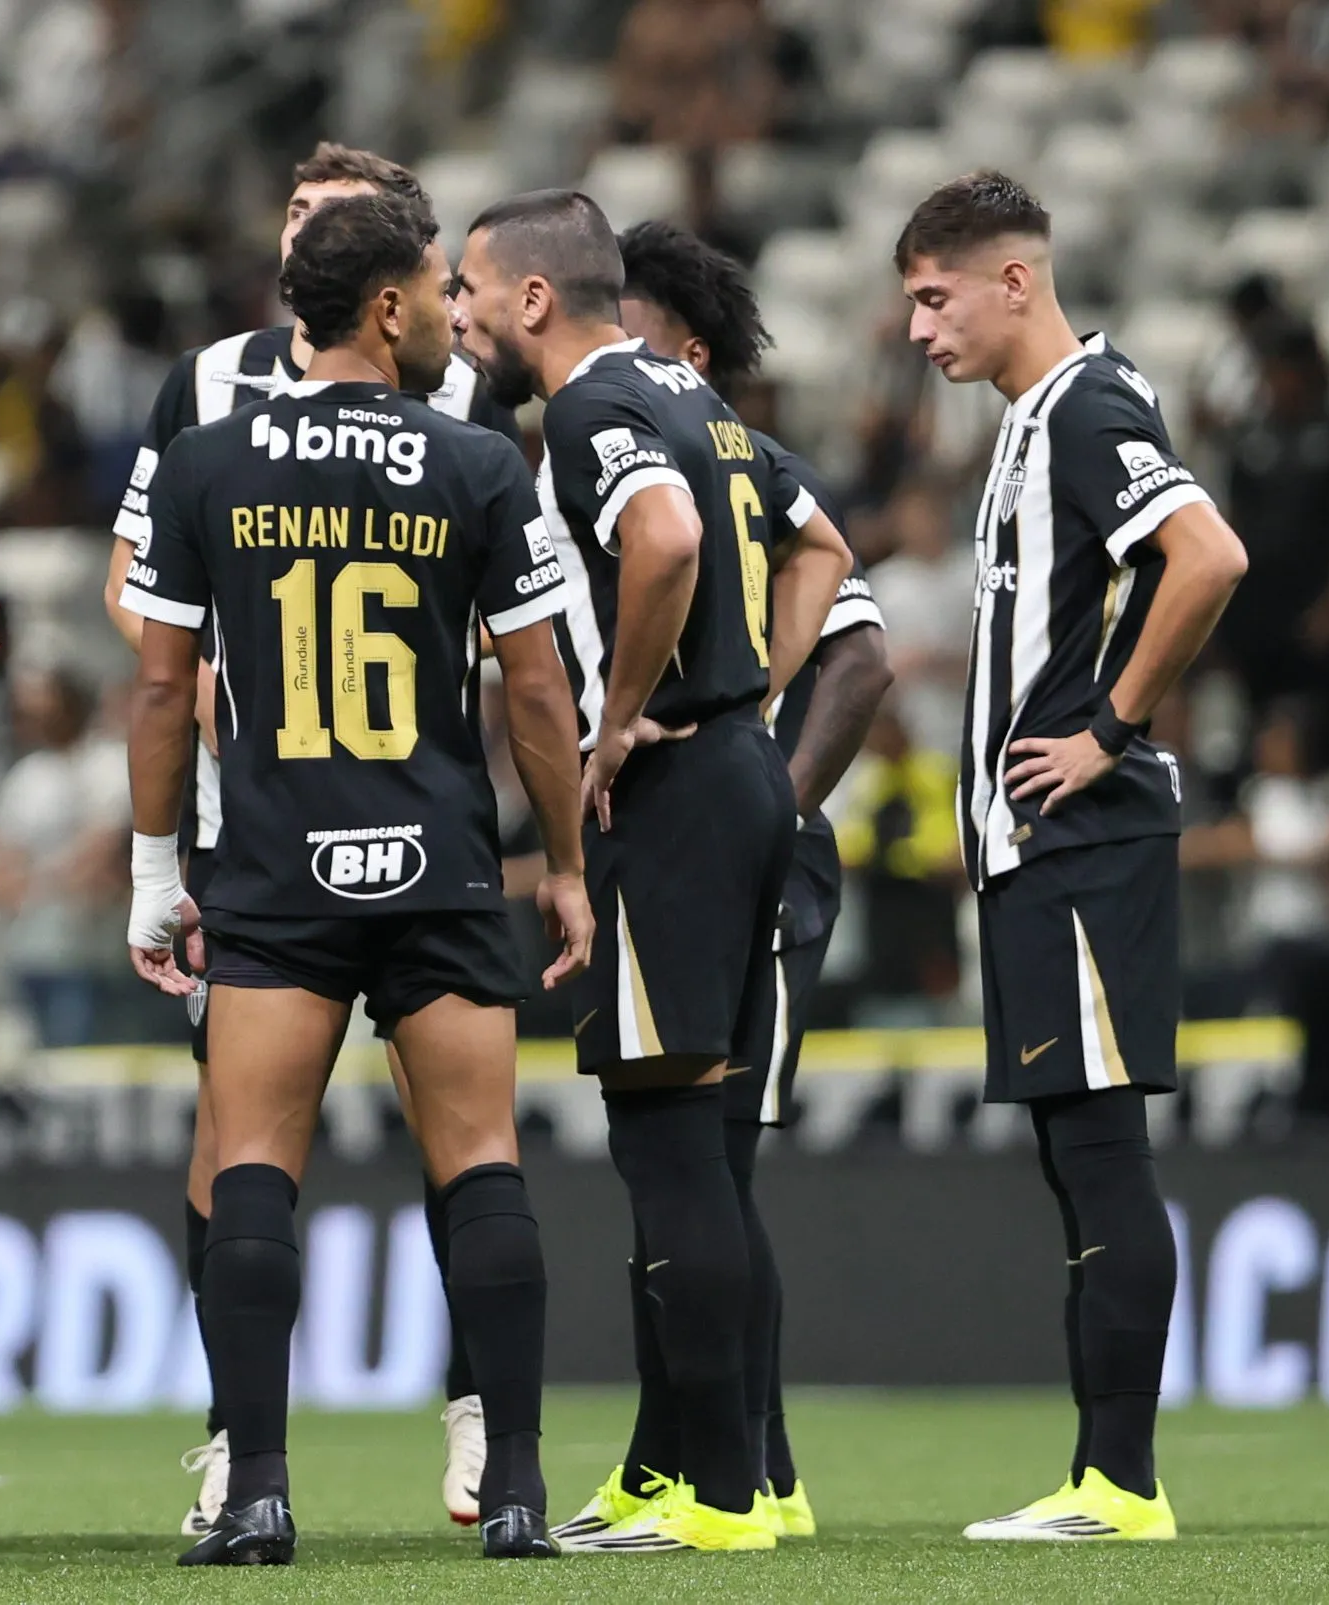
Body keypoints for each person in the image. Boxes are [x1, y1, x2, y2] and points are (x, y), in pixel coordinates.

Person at [122, 190, 594, 1566]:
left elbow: (160, 689)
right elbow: (535, 689)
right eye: (437, 287)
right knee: (482, 1162)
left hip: (275, 870)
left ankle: (256, 1492)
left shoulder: (207, 462)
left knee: (252, 1168)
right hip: (437, 863)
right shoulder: (476, 460)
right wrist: (565, 862)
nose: (452, 311)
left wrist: (155, 868)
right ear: (384, 309)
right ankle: (514, 1489)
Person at [452, 188, 847, 1553]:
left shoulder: (589, 410)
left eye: (470, 290)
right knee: (705, 1153)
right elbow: (823, 548)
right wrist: (749, 693)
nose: (460, 316)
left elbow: (665, 539)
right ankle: (704, 1477)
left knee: (671, 1148)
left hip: (671, 798)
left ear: (533, 298)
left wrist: (620, 715)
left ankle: (722, 1498)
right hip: (743, 777)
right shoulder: (704, 402)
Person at [897, 170, 1249, 1543]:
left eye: (936, 298)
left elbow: (1204, 556)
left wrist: (1109, 729)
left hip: (1084, 840)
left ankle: (1120, 1483)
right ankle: (1100, 1474)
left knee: (1101, 1154)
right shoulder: (1033, 421)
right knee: (1077, 1157)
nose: (920, 330)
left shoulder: (1088, 408)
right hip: (1037, 850)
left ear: (1014, 280)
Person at [613, 218, 893, 1540]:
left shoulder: (736, 465)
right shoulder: (646, 462)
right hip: (687, 835)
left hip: (743, 844)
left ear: (685, 350)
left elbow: (862, 655)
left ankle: (757, 1469)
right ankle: (675, 1465)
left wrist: (764, 772)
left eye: (624, 323)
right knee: (679, 1171)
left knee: (706, 1167)